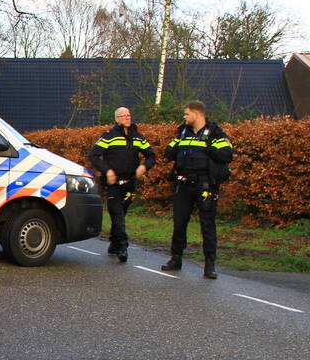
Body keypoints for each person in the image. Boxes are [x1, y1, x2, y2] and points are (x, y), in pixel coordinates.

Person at [161, 100, 234, 279]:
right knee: (179, 223)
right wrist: (177, 145)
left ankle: (209, 264)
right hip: (183, 185)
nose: (184, 117)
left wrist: (207, 146)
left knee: (207, 225)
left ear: (197, 114)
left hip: (205, 185)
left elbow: (227, 154)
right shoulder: (183, 132)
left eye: (186, 114)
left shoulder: (215, 133)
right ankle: (176, 258)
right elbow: (168, 152)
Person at [88, 107, 156, 263]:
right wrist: (107, 170)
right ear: (116, 119)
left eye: (129, 115)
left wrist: (144, 167)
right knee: (117, 214)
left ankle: (114, 242)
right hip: (113, 184)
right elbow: (93, 155)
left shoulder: (137, 137)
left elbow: (151, 155)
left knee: (121, 214)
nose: (127, 118)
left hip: (130, 183)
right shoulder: (109, 136)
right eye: (123, 116)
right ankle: (123, 247)